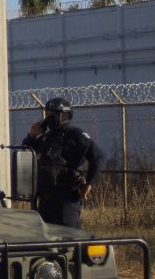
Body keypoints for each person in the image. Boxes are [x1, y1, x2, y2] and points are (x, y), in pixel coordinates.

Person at [22, 97, 103, 228]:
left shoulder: (75, 135)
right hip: (45, 201)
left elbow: (98, 156)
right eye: (46, 114)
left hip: (66, 201)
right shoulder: (45, 137)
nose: (48, 118)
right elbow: (24, 154)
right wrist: (31, 136)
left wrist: (89, 184)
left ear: (63, 115)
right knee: (45, 243)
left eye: (51, 114)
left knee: (69, 240)